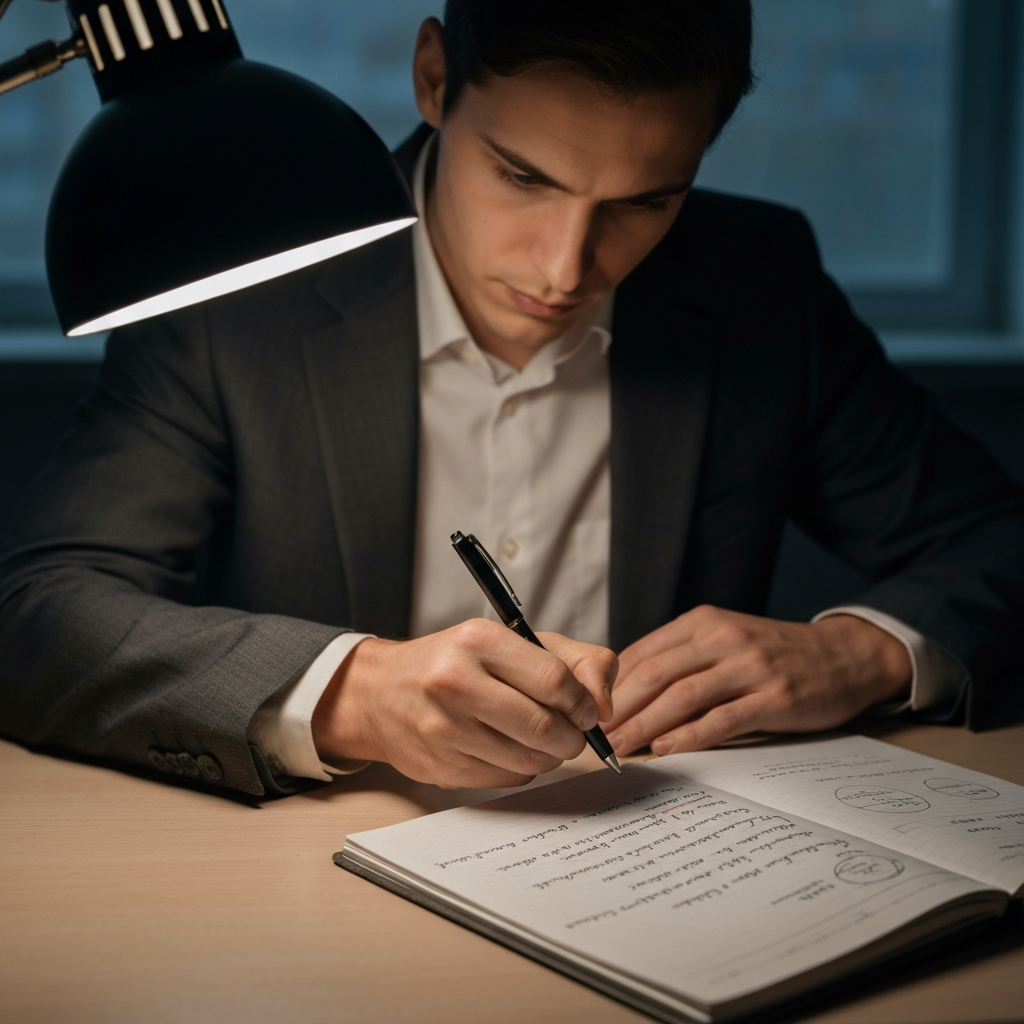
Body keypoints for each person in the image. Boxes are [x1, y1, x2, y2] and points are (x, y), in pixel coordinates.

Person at [0, 1, 1021, 798]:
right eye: (522, 176)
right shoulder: (238, 280)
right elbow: (36, 612)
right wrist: (350, 694)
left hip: (660, 873)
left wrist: (862, 652)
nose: (566, 265)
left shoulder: (755, 281)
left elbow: (997, 540)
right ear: (434, 79)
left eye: (644, 201)